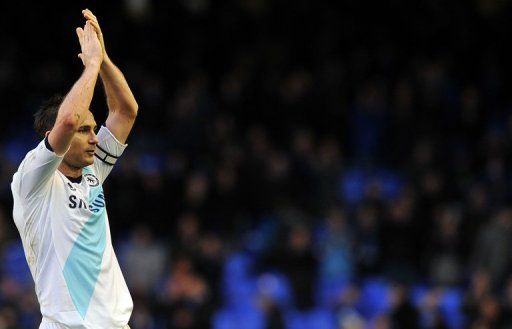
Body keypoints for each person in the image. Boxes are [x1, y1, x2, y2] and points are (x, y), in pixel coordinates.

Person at [10, 9, 138, 329]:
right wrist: (91, 65)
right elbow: (68, 120)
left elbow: (125, 111)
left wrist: (104, 59)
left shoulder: (93, 171)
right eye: (85, 130)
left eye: (94, 129)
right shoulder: (33, 179)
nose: (95, 138)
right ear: (50, 137)